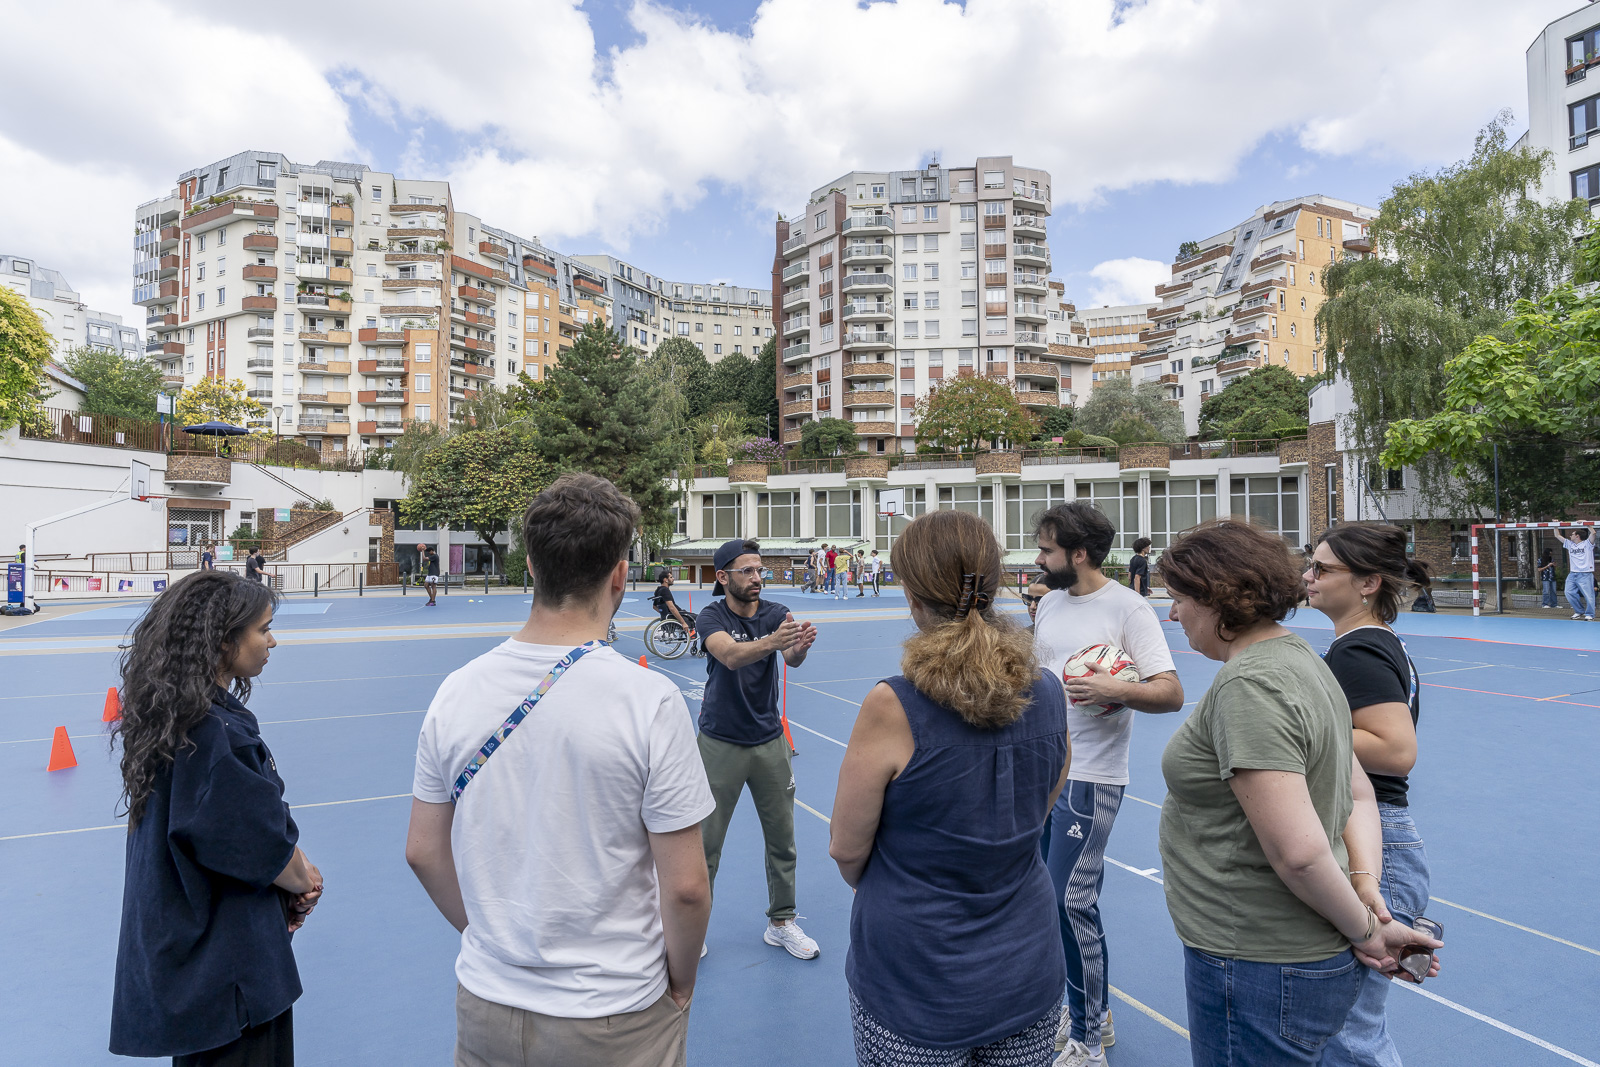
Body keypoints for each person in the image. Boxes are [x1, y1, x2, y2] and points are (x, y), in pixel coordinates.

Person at [406, 473, 714, 1067]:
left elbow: (422, 851)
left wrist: (489, 940)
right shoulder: (647, 700)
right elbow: (685, 887)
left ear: (530, 565)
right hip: (612, 1012)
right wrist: (679, 985)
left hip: (486, 1005)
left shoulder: (456, 690)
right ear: (620, 574)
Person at [1156, 521, 1442, 1066]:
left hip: (1258, 954)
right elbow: (1357, 793)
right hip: (1284, 951)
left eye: (1179, 600)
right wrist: (1364, 888)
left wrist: (1367, 930)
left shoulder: (1252, 685)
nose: (1173, 615)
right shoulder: (1305, 660)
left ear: (1219, 599)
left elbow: (1301, 853)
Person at [829, 510, 1072, 1065]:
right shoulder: (1049, 692)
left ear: (914, 599)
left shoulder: (893, 706)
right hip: (1026, 967)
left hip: (917, 979)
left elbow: (847, 850)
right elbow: (1042, 806)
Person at [111, 570, 323, 1065]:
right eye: (262, 629)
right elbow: (261, 843)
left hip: (193, 965)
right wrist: (303, 879)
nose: (273, 640)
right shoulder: (215, 735)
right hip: (229, 974)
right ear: (224, 640)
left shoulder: (171, 718)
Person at [1031, 503, 1184, 1067]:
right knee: (1044, 899)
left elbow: (1169, 691)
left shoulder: (1129, 607)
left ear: (1078, 553)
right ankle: (1087, 1010)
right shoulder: (1047, 603)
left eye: (1046, 549)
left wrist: (1114, 690)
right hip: (1042, 769)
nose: (1038, 559)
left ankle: (1089, 1040)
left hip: (1091, 777)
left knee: (1071, 899)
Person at [1304, 523, 1433, 1066]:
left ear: (1368, 582)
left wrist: (1296, 725)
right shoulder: (1370, 643)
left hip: (1374, 840)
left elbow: (1396, 749)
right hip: (1378, 835)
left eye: (1322, 569)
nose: (1308, 577)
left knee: (1349, 1034)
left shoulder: (1358, 650)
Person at [696, 538, 820, 959]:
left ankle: (781, 922)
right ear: (723, 577)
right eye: (747, 571)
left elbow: (792, 659)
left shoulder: (776, 614)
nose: (756, 578)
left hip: (769, 742)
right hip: (719, 743)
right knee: (705, 843)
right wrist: (774, 642)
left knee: (782, 839)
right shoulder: (710, 615)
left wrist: (797, 649)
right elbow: (729, 656)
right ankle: (692, 929)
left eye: (760, 570)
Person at [1556, 527, 1595, 620]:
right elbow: (1557, 535)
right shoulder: (1570, 544)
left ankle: (1590, 614)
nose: (1570, 536)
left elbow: (1593, 533)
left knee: (1589, 595)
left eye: (1572, 534)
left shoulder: (1587, 544)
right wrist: (1555, 525)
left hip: (1585, 574)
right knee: (1568, 592)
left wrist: (1586, 523)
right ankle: (1579, 611)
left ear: (1577, 536)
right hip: (1573, 574)